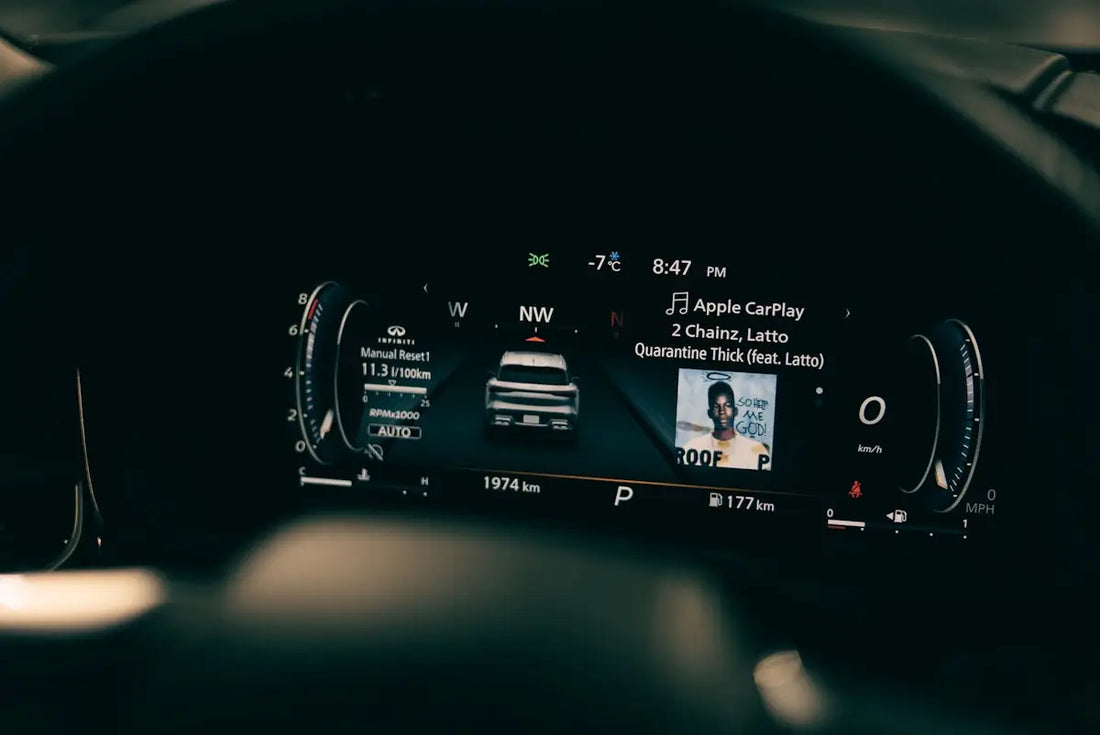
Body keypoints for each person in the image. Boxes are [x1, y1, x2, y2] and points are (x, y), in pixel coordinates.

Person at [681, 381, 770, 470]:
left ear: (735, 411)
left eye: (727, 405)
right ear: (709, 413)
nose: (722, 411)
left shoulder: (756, 451)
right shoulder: (691, 448)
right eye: (716, 407)